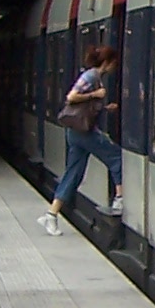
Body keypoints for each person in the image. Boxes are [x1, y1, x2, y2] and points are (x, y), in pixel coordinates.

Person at [40, 44, 122, 235]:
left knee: (73, 174)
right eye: (114, 64)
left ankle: (51, 215)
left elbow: (87, 106)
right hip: (83, 132)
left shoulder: (96, 77)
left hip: (77, 132)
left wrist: (104, 107)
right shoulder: (91, 76)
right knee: (116, 157)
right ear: (107, 62)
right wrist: (95, 95)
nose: (114, 68)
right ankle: (119, 199)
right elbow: (72, 97)